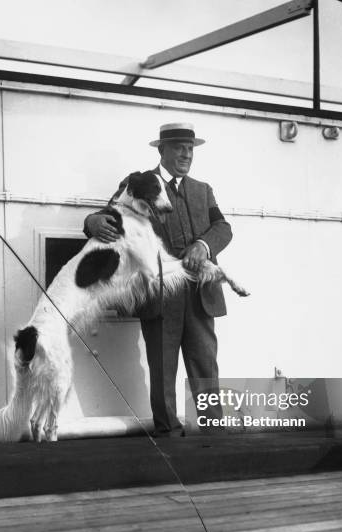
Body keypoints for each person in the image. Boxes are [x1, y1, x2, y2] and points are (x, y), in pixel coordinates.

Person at [84, 122, 232, 436]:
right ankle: (168, 435)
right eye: (179, 147)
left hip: (199, 291)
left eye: (190, 148)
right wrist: (92, 220)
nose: (186, 153)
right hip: (160, 291)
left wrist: (203, 246)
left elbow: (223, 228)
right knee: (163, 368)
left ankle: (215, 435)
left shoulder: (203, 190)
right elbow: (113, 213)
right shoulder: (138, 181)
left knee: (205, 364)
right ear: (161, 150)